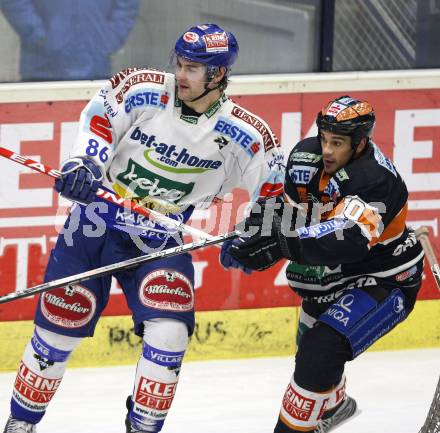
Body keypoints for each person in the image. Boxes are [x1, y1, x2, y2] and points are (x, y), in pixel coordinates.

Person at [2, 23, 284, 433]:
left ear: (218, 75)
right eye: (180, 64)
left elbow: (273, 192)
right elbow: (100, 122)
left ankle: (142, 427)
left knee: (170, 336)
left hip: (159, 238)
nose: (180, 75)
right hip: (94, 223)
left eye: (192, 69)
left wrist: (257, 234)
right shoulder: (141, 87)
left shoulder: (247, 133)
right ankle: (20, 424)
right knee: (58, 327)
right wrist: (86, 165)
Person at [221, 95, 425, 432]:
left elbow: (345, 242)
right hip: (329, 277)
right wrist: (251, 236)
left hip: (385, 278)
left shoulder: (375, 179)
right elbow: (287, 214)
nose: (327, 150)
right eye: (324, 139)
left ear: (360, 144)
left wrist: (284, 243)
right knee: (311, 361)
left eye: (338, 143)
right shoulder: (305, 156)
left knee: (319, 353)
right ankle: (335, 403)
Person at [0, 0, 139, 81]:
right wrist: (38, 36)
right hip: (43, 71)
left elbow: (127, 5)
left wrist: (110, 39)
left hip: (96, 70)